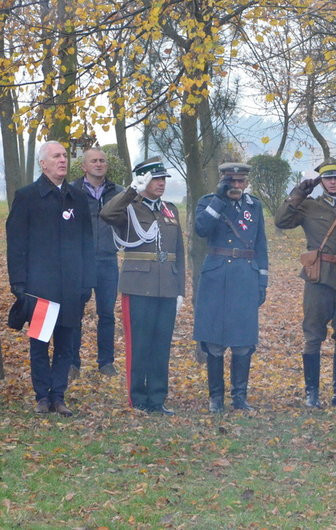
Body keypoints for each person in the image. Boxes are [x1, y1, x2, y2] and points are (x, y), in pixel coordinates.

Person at [6, 140, 96, 416]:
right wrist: (18, 284)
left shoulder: (78, 198)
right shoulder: (27, 196)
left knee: (66, 345)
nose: (62, 160)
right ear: (42, 164)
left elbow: (87, 244)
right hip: (40, 288)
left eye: (65, 156)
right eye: (56, 156)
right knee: (40, 344)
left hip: (71, 286)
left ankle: (58, 396)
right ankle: (41, 397)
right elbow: (16, 243)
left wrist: (86, 282)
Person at [100, 157, 185, 415]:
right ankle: (137, 398)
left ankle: (157, 398)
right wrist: (130, 191)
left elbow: (178, 252)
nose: (161, 184)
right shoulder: (130, 207)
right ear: (144, 180)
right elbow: (106, 214)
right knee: (139, 344)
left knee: (161, 344)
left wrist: (180, 289)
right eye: (156, 179)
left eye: (163, 179)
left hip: (166, 286)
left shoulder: (170, 209)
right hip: (138, 284)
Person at [275, 158, 336, 408]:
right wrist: (299, 192)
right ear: (321, 181)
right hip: (318, 279)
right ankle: (312, 393)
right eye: (327, 178)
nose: (332, 182)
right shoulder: (309, 206)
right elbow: (281, 221)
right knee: (313, 336)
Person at [194, 162, 268, 412]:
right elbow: (201, 229)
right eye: (231, 181)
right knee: (214, 339)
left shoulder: (254, 205)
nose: (236, 186)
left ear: (246, 182)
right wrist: (218, 199)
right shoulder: (209, 201)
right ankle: (216, 398)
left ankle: (239, 397)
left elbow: (261, 246)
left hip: (244, 275)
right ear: (222, 180)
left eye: (240, 181)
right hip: (216, 274)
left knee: (243, 340)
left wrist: (262, 279)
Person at [68, 147, 124, 379]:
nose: (99, 164)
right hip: (80, 261)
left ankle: (106, 363)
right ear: (84, 166)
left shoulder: (118, 192)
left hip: (107, 260)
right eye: (94, 161)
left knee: (107, 314)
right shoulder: (71, 191)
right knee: (75, 313)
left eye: (102, 161)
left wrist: (117, 243)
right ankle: (72, 363)